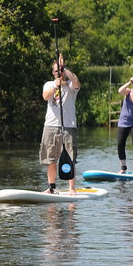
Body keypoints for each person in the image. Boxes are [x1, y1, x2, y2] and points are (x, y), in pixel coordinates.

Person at [40, 55, 81, 195]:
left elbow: (76, 82)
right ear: (53, 73)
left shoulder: (70, 86)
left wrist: (65, 68)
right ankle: (51, 187)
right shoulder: (49, 84)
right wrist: (55, 85)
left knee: (70, 157)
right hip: (50, 126)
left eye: (61, 70)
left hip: (68, 126)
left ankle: (72, 188)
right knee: (50, 158)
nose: (60, 73)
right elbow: (45, 96)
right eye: (57, 71)